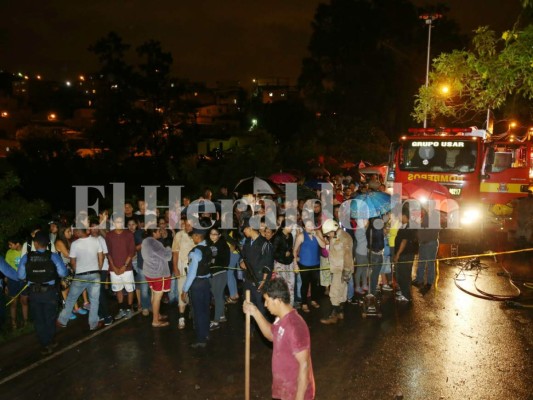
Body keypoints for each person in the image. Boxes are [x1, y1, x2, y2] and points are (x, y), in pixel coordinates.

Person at [243, 278, 315, 400]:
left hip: (296, 394)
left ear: (277, 300)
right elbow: (272, 335)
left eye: (267, 301)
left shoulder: (295, 326)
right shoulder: (281, 319)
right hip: (285, 391)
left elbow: (304, 365)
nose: (265, 305)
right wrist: (255, 312)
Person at [17, 231, 67, 355]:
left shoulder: (26, 257)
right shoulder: (53, 256)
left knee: (39, 319)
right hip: (49, 293)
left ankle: (45, 344)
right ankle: (50, 341)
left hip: (34, 293)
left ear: (36, 243)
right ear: (48, 243)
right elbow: (63, 273)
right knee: (50, 318)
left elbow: (20, 276)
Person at [57, 227, 103, 331]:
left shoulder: (75, 244)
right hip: (95, 274)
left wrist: (77, 271)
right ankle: (93, 324)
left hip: (80, 275)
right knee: (94, 300)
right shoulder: (96, 241)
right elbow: (101, 256)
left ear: (78, 232)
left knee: (71, 298)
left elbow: (72, 261)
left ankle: (62, 321)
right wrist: (98, 269)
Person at [182, 228, 212, 348]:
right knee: (205, 309)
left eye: (192, 236)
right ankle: (206, 333)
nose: (192, 239)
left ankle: (200, 339)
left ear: (197, 236)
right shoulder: (208, 248)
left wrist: (184, 289)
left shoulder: (195, 252)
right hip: (206, 282)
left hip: (197, 284)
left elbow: (192, 273)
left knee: (198, 312)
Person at [320, 219, 354, 325]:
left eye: (329, 233)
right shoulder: (335, 236)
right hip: (338, 268)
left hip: (342, 269)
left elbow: (348, 255)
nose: (328, 235)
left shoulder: (344, 237)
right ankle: (340, 312)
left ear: (333, 230)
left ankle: (333, 316)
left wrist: (347, 271)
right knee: (341, 291)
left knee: (334, 292)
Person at [241, 218, 274, 318]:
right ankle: (250, 329)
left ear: (250, 228)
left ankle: (263, 330)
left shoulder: (265, 244)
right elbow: (243, 256)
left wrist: (264, 281)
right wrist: (242, 262)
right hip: (248, 278)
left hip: (259, 280)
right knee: (249, 305)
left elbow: (268, 263)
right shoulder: (247, 241)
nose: (243, 231)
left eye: (244, 229)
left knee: (261, 308)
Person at [106, 214, 136, 319]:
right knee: (118, 290)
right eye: (117, 222)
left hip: (126, 268)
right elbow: (108, 253)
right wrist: (113, 267)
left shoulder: (129, 234)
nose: (120, 224)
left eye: (121, 222)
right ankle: (121, 309)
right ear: (113, 223)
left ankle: (129, 308)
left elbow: (131, 252)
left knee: (129, 289)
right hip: (114, 269)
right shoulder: (109, 235)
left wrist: (124, 266)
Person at [141, 228, 172, 328]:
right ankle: (155, 321)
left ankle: (157, 315)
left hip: (149, 272)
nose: (160, 232)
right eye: (158, 231)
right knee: (158, 297)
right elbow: (167, 257)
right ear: (153, 233)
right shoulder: (155, 243)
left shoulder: (145, 241)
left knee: (154, 295)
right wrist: (168, 247)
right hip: (158, 273)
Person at [293, 220, 325, 313]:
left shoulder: (317, 234)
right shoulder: (301, 236)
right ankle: (304, 303)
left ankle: (313, 300)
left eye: (311, 225)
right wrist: (295, 264)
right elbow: (294, 250)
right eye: (308, 226)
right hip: (304, 264)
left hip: (316, 263)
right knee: (305, 284)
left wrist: (316, 236)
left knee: (315, 284)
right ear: (304, 227)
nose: (310, 227)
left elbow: (323, 245)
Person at [171, 217, 195, 330]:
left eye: (190, 224)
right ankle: (181, 317)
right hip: (182, 267)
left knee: (194, 291)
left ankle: (193, 311)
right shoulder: (179, 235)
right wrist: (175, 267)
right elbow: (175, 253)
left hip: (195, 269)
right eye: (186, 224)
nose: (188, 226)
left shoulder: (197, 235)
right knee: (182, 291)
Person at [207, 227, 230, 329]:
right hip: (212, 273)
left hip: (220, 273)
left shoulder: (223, 245)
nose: (213, 235)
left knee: (217, 296)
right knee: (218, 295)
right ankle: (221, 315)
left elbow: (225, 261)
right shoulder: (209, 244)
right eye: (211, 233)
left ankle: (216, 321)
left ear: (219, 235)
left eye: (215, 234)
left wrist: (214, 261)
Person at [393, 209, 418, 302]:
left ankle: (406, 296)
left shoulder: (409, 227)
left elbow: (404, 241)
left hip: (405, 254)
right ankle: (404, 291)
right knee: (403, 274)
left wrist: (397, 254)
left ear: (404, 216)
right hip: (406, 254)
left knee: (403, 275)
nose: (398, 217)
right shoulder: (405, 225)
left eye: (399, 215)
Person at [414, 207, 441, 295]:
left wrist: (421, 224)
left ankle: (429, 283)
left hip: (430, 243)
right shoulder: (426, 216)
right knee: (421, 262)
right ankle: (419, 279)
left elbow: (434, 230)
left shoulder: (434, 216)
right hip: (423, 243)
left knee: (430, 264)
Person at [5, 237, 28, 329]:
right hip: (13, 280)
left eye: (11, 244)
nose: (9, 246)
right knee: (13, 303)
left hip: (24, 280)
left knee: (24, 301)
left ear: (17, 244)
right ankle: (13, 323)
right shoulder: (9, 253)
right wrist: (6, 284)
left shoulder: (26, 251)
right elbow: (6, 268)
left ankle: (26, 322)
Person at [271, 221, 296, 307]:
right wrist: (283, 254)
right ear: (284, 227)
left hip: (289, 263)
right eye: (290, 226)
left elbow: (291, 248)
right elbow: (273, 252)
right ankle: (280, 306)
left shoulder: (290, 236)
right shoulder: (277, 237)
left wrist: (291, 256)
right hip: (280, 264)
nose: (291, 227)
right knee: (281, 285)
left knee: (291, 284)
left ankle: (290, 305)